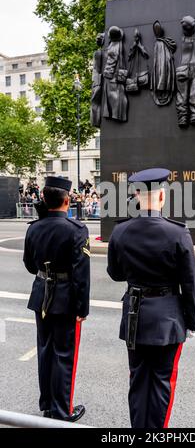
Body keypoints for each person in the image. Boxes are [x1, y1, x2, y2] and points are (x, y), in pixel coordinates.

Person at [107, 168, 195, 429]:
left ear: (137, 195)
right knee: (162, 382)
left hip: (135, 315)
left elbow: (115, 274)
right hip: (168, 319)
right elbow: (189, 283)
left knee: (137, 379)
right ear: (162, 196)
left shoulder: (120, 231)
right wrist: (192, 321)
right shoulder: (178, 232)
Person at [23, 176, 90, 422]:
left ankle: (48, 405)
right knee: (64, 354)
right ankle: (62, 410)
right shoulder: (77, 230)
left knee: (45, 350)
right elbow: (81, 274)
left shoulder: (33, 228)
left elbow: (30, 265)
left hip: (41, 294)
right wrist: (83, 307)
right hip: (66, 298)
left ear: (43, 198)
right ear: (68, 200)